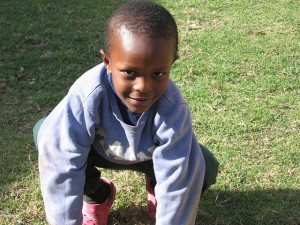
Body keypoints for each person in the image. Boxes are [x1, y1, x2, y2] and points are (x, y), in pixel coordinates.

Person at [33, 1, 219, 224]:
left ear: (172, 63)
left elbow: (180, 177)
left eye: (158, 74)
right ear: (107, 62)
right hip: (97, 152)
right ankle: (95, 196)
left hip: (151, 158)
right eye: (130, 72)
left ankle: (159, 189)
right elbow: (61, 163)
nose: (143, 86)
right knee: (48, 134)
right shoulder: (87, 95)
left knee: (201, 164)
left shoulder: (173, 107)